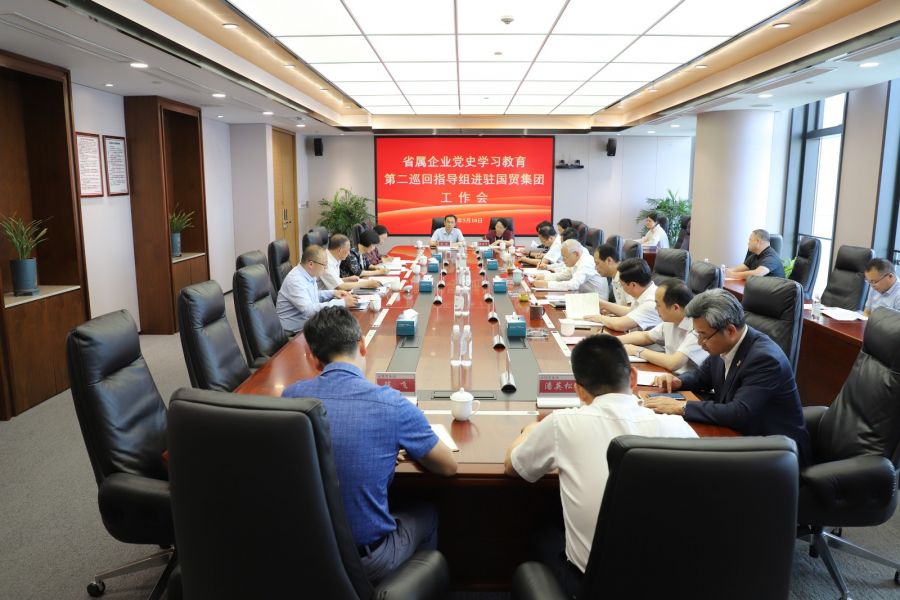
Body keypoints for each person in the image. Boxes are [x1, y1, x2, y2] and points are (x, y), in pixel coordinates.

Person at [505, 335, 697, 597]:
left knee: (542, 533)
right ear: (632, 377)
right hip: (670, 583)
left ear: (579, 391)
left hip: (594, 586)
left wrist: (530, 430)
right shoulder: (678, 428)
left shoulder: (562, 423)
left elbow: (513, 467)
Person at [282, 307, 457, 583]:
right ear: (362, 344)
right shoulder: (391, 404)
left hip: (303, 553)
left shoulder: (290, 398)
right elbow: (448, 466)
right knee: (426, 513)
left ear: (313, 358)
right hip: (367, 561)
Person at [643, 289, 811, 465]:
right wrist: (679, 381)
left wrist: (682, 407)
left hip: (776, 453)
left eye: (704, 335)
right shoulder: (723, 343)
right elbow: (701, 376)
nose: (700, 342)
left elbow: (739, 412)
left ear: (730, 330)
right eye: (697, 334)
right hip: (739, 435)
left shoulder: (764, 359)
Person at [614, 279, 708, 374]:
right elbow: (646, 336)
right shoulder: (671, 320)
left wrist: (636, 351)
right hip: (668, 375)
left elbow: (673, 363)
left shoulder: (698, 328)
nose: (655, 308)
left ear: (675, 308)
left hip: (686, 380)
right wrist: (614, 340)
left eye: (658, 305)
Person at [276, 245, 356, 332]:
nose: (326, 268)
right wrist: (342, 302)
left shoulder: (308, 273)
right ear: (311, 264)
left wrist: (333, 293)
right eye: (324, 264)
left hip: (308, 324)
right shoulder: (295, 280)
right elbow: (309, 310)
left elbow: (312, 295)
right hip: (293, 333)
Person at [585, 258, 660, 332]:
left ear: (633, 285)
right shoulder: (645, 292)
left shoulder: (651, 302)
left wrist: (599, 318)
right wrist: (604, 305)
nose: (622, 288)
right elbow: (632, 311)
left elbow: (619, 325)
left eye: (622, 285)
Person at [530, 239, 608, 296]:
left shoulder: (586, 263)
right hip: (583, 296)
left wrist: (546, 284)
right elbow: (563, 276)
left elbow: (573, 285)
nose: (563, 260)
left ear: (576, 254)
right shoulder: (576, 261)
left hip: (597, 303)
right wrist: (543, 277)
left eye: (565, 257)